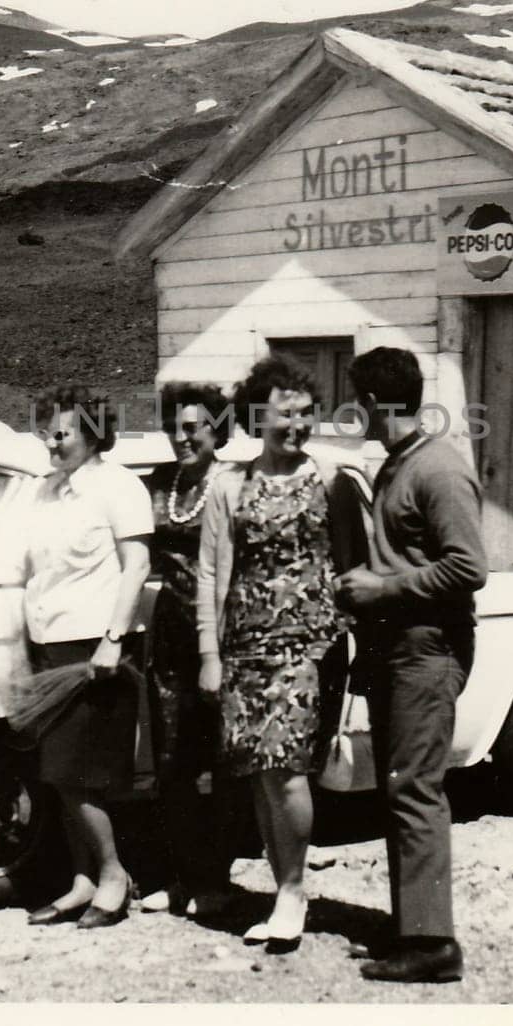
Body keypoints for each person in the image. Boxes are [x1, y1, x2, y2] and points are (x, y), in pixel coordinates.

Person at [197, 355, 366, 953]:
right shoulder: (229, 485)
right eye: (282, 417)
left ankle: (294, 890)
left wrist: (348, 642)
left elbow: (352, 565)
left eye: (304, 415)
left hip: (308, 646)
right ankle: (281, 889)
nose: (295, 427)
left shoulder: (331, 480)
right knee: (260, 775)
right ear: (254, 420)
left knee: (288, 770)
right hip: (245, 646)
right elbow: (213, 573)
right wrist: (209, 653)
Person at [335, 347, 487, 984]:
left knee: (415, 790)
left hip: (429, 649)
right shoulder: (399, 466)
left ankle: (432, 944)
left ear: (372, 404)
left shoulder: (438, 469)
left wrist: (380, 590)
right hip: (397, 649)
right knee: (402, 787)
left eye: (356, 405)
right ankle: (411, 927)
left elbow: (469, 568)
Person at [21, 385, 154, 929]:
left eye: (64, 431)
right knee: (57, 774)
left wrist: (113, 638)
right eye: (47, 430)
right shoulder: (45, 492)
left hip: (97, 647)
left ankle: (114, 876)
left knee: (77, 773)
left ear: (93, 433)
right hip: (51, 643)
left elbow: (138, 566)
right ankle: (83, 881)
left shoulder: (118, 487)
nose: (52, 441)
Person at [140, 382, 235, 918]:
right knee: (172, 763)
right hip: (169, 640)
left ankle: (216, 882)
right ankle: (179, 878)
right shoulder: (158, 483)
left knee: (221, 766)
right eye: (175, 426)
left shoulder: (233, 484)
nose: (181, 437)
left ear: (216, 430)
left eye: (193, 427)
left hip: (219, 638)